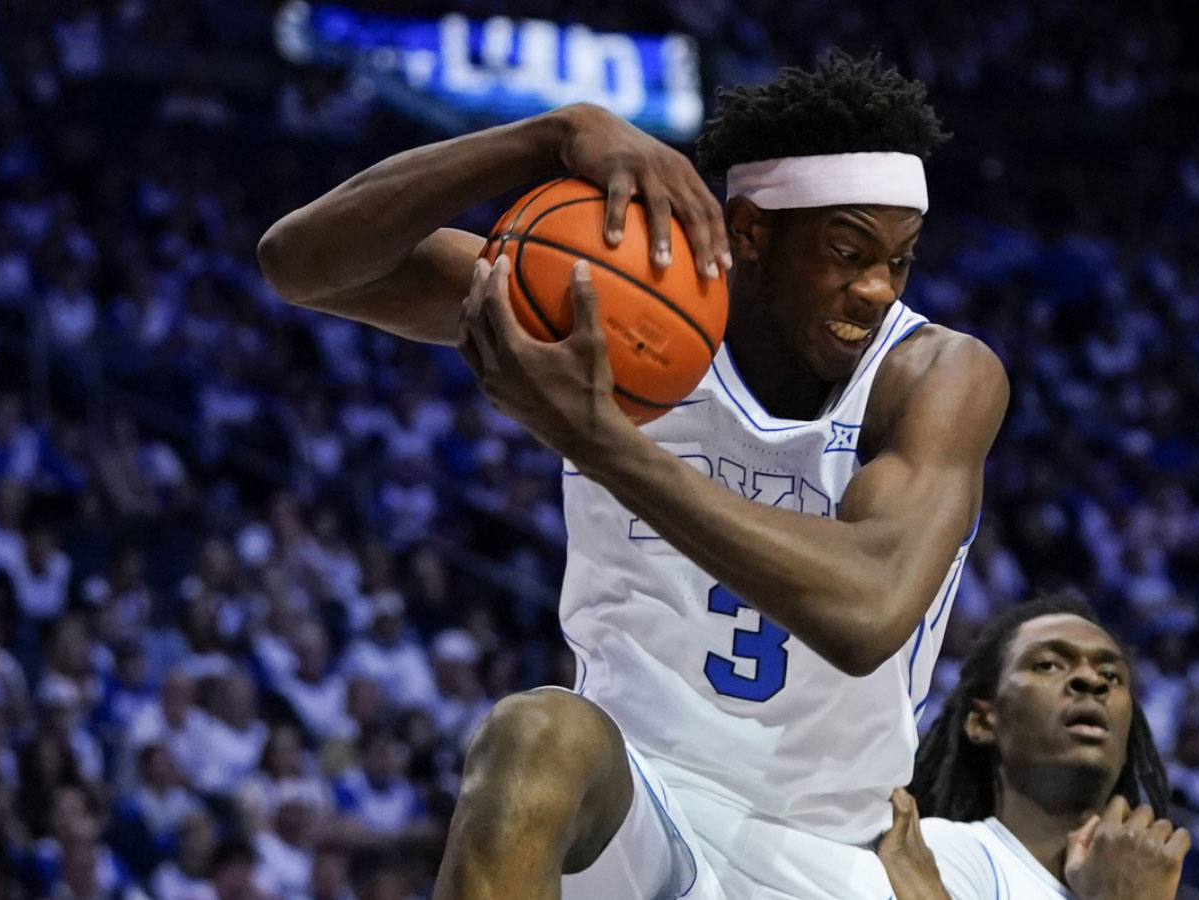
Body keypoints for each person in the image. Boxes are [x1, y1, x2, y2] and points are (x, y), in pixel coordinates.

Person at [259, 52, 1008, 900]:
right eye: (847, 251)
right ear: (753, 233)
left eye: (900, 260)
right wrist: (551, 136)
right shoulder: (614, 321)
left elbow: (866, 610)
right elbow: (302, 263)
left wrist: (603, 439)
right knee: (536, 733)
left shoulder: (936, 376)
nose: (876, 289)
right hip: (635, 808)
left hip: (826, 850)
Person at [880, 594, 1190, 900]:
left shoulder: (1144, 885)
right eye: (1049, 665)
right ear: (983, 721)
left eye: (1111, 675)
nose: (1091, 680)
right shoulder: (950, 852)